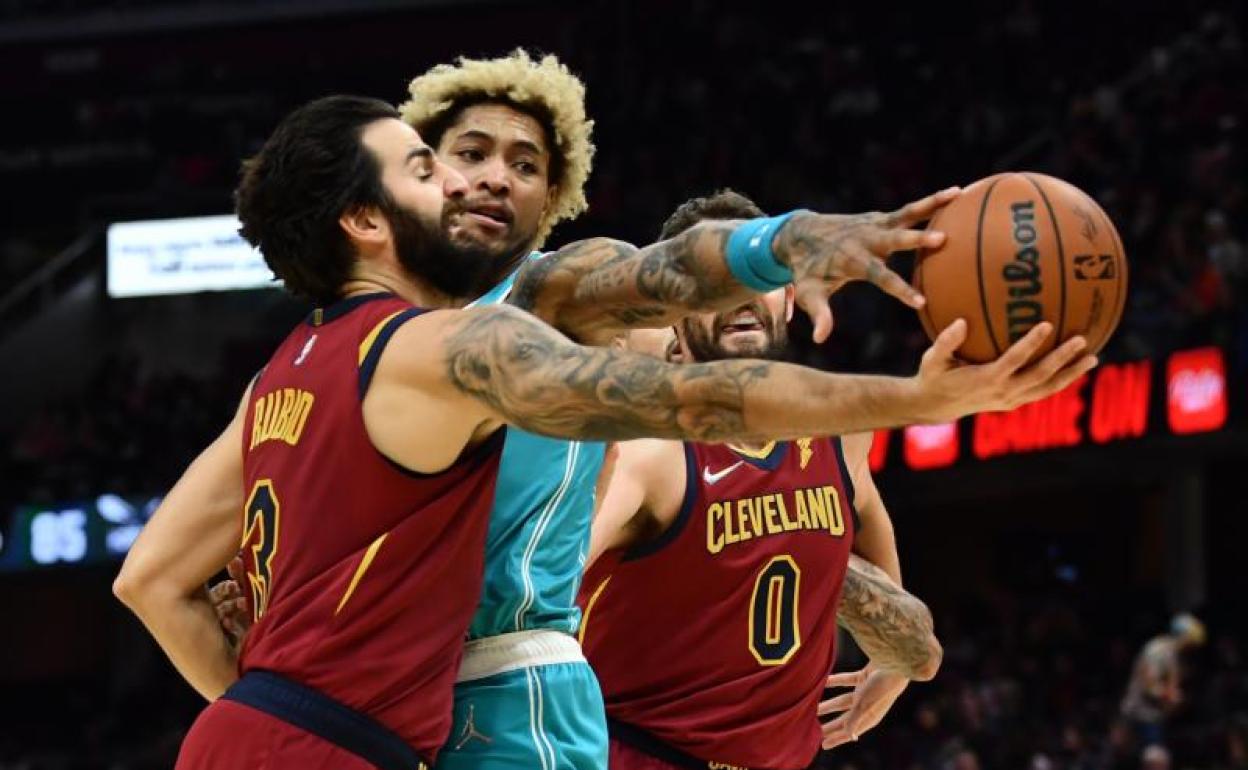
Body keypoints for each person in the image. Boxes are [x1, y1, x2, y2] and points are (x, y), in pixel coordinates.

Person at [124, 76, 1093, 767]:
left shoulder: (292, 372)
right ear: (384, 210)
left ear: (558, 192)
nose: (491, 178)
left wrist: (780, 246)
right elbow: (699, 398)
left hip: (296, 725)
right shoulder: (442, 346)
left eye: (527, 160)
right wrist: (919, 397)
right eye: (450, 159)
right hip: (498, 703)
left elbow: (152, 577)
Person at [579, 191, 936, 770]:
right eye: (712, 278)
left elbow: (894, 609)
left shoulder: (840, 437)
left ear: (791, 296)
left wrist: (894, 666)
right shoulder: (651, 452)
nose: (741, 293)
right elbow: (530, 595)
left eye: (759, 271)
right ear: (670, 312)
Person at [1120, 612, 1207, 747]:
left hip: (1158, 716)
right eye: (1191, 643)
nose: (1192, 648)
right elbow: (1148, 686)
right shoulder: (1157, 651)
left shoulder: (1176, 656)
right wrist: (1170, 696)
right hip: (1141, 714)